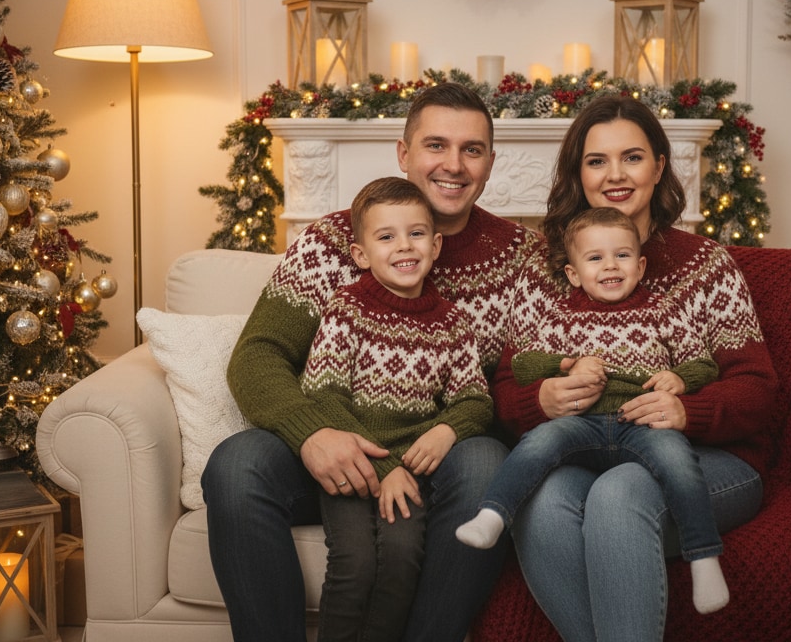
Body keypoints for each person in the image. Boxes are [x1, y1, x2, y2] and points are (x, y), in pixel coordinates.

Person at [202, 82, 541, 642]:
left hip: (441, 456)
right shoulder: (330, 242)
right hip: (336, 442)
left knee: (485, 465)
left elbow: (515, 382)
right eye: (435, 145)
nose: (452, 165)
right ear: (404, 153)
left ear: (490, 162)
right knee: (236, 465)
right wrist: (314, 435)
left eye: (471, 150)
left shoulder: (522, 257)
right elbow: (259, 355)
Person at [490, 95, 778, 642]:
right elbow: (506, 387)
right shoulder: (547, 269)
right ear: (578, 173)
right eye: (596, 160)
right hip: (585, 446)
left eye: (633, 157)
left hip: (708, 462)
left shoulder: (707, 265)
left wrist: (685, 410)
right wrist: (540, 401)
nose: (615, 175)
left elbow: (757, 387)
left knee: (620, 494)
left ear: (660, 166)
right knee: (545, 504)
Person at [456, 206, 730, 614]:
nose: (609, 267)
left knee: (678, 458)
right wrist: (566, 366)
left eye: (621, 256)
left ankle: (704, 557)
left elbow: (703, 361)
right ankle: (493, 515)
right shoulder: (561, 315)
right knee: (538, 441)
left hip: (642, 422)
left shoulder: (664, 309)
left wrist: (680, 380)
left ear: (640, 266)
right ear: (573, 273)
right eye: (595, 258)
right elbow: (524, 363)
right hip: (581, 424)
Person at [303, 176, 493, 641]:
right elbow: (322, 393)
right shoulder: (346, 309)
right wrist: (383, 464)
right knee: (355, 563)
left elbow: (475, 399)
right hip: (352, 468)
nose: (404, 246)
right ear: (361, 255)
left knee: (404, 558)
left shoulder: (452, 323)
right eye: (386, 236)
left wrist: (447, 429)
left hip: (410, 476)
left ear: (436, 244)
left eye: (416, 233)